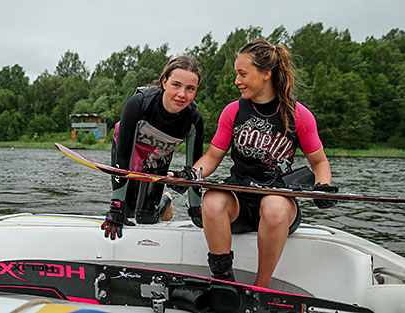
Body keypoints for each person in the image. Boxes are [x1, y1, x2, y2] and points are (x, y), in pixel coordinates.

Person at [171, 39, 337, 288]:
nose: (237, 81)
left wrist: (323, 186)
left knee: (273, 206)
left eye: (242, 74)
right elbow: (213, 157)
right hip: (240, 198)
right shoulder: (233, 112)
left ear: (266, 74)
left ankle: (260, 288)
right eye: (236, 74)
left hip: (277, 200)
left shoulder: (298, 115)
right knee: (213, 201)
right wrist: (193, 174)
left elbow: (320, 163)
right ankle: (224, 284)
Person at [101, 55, 205, 241]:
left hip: (158, 158)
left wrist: (196, 209)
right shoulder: (139, 104)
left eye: (190, 89)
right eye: (176, 85)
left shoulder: (194, 120)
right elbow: (123, 158)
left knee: (146, 218)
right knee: (127, 212)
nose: (182, 94)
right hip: (129, 155)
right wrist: (116, 205)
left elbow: (194, 168)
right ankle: (125, 205)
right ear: (164, 82)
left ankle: (166, 200)